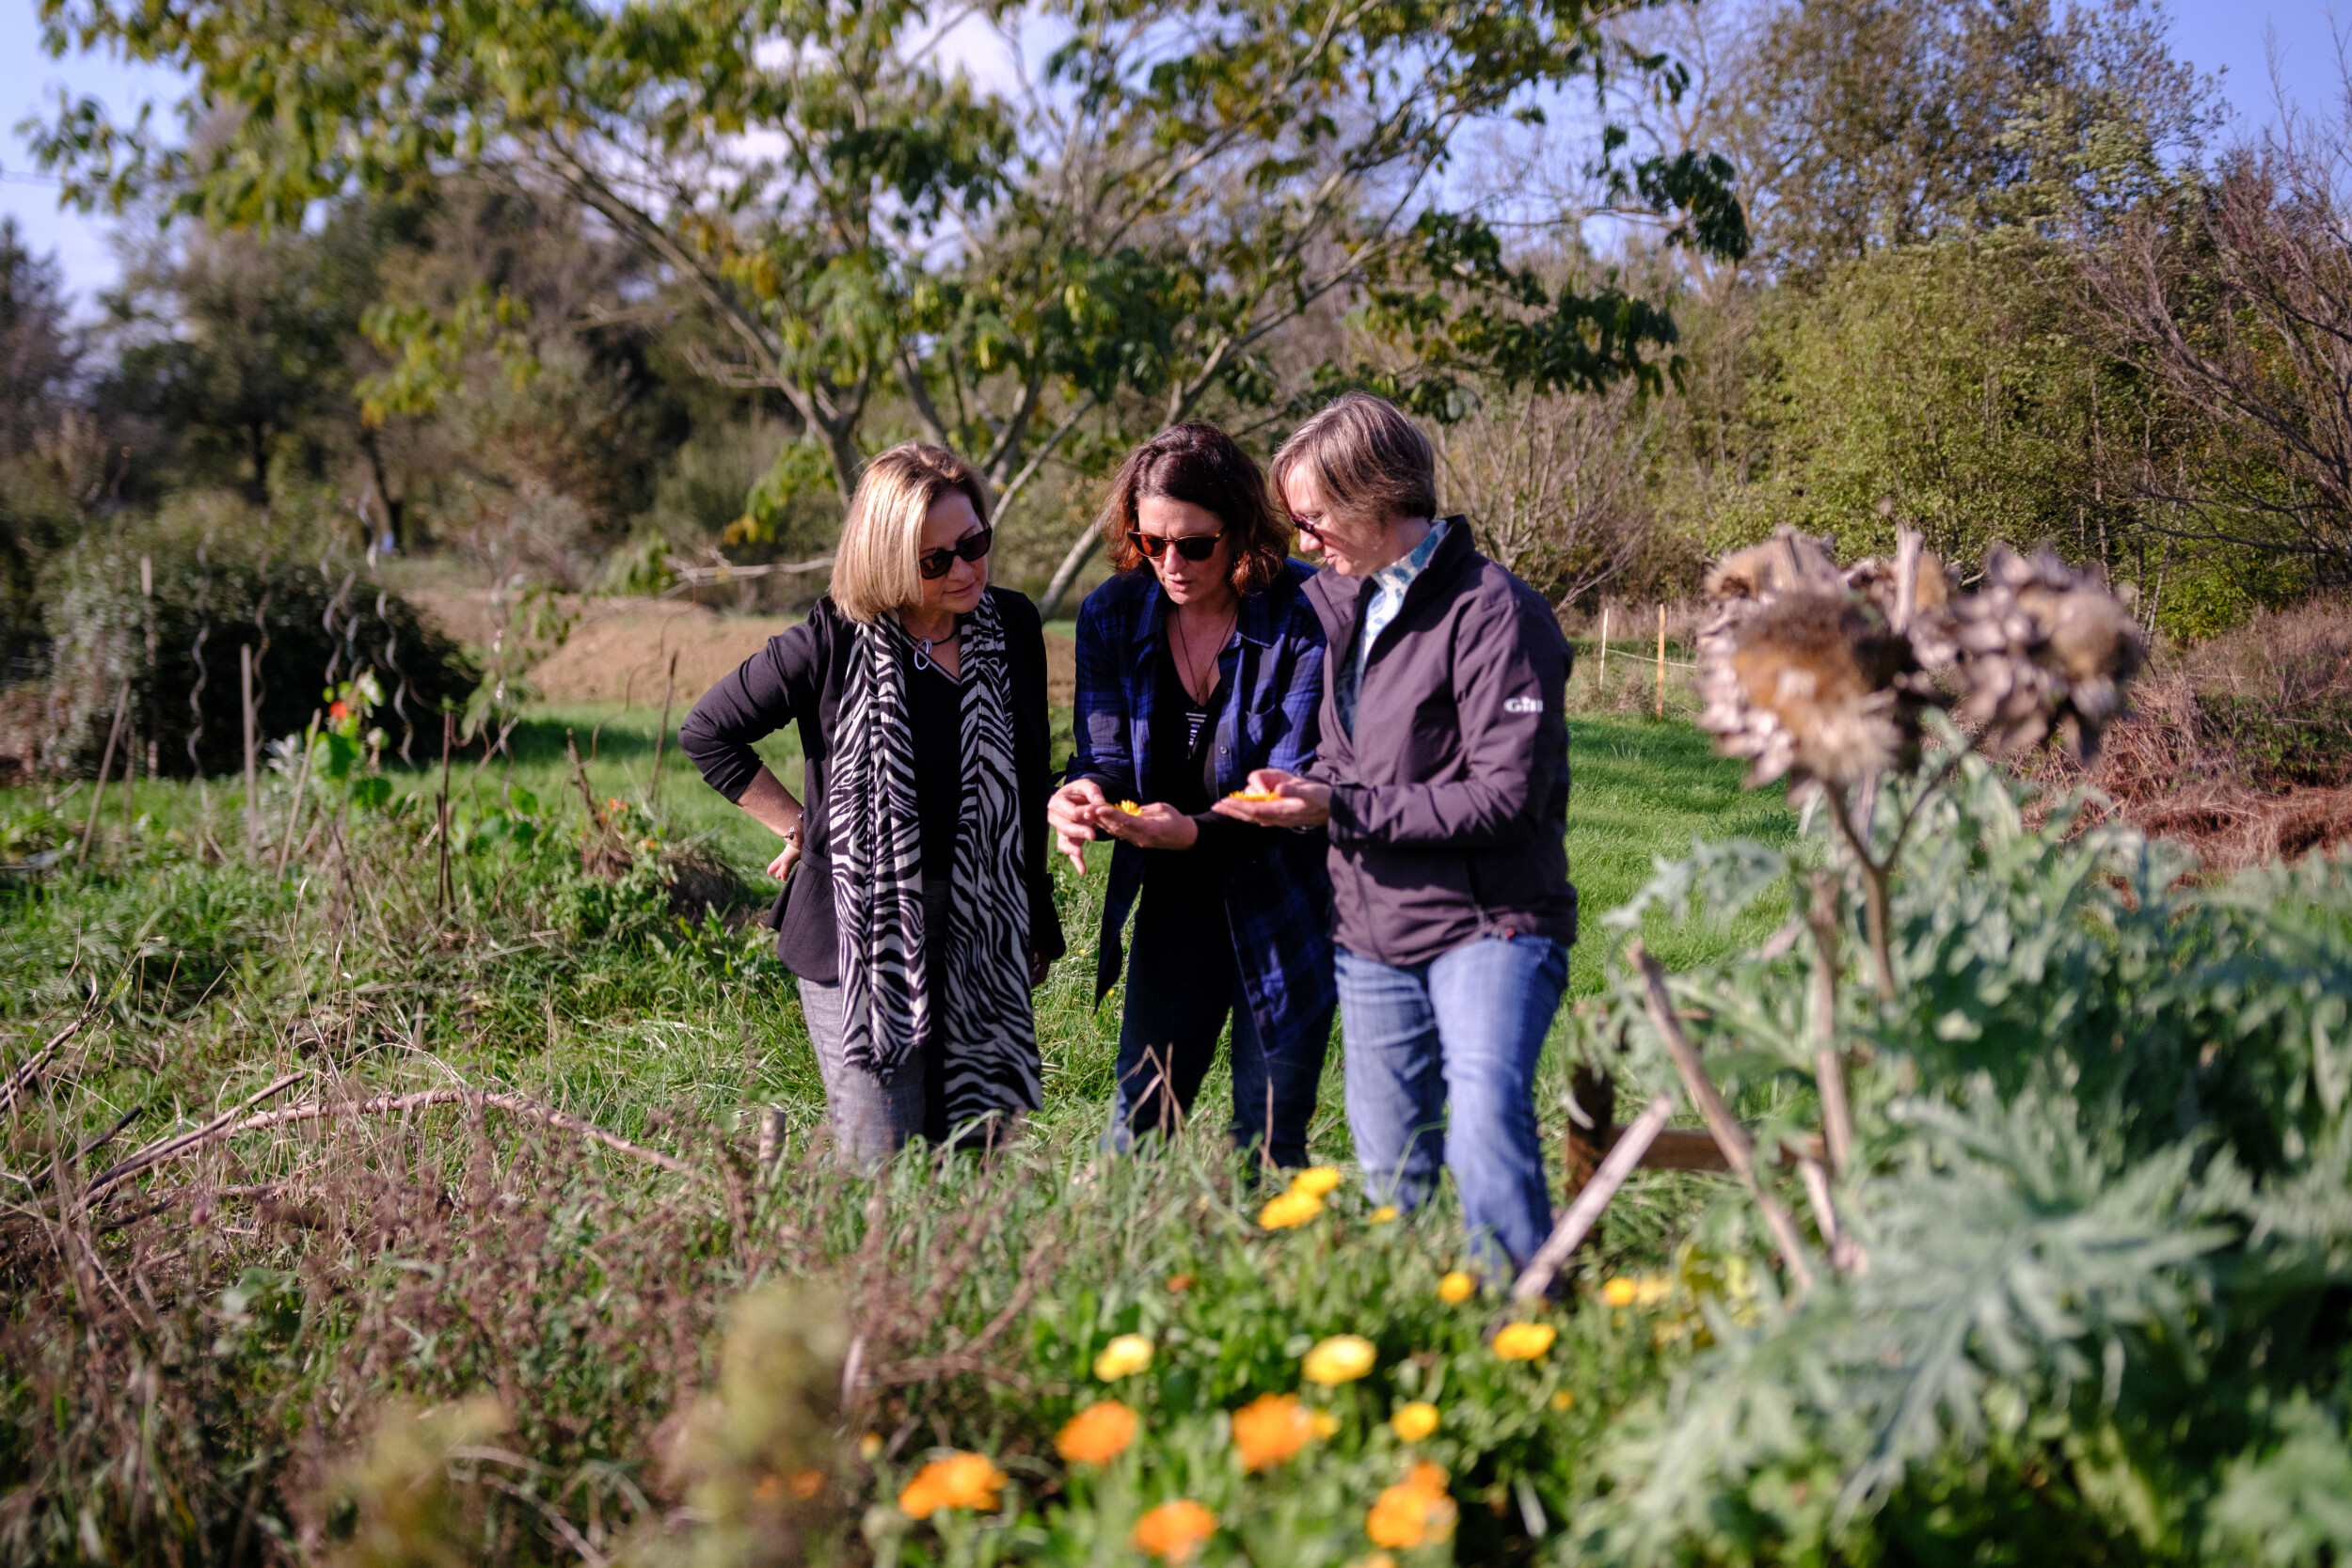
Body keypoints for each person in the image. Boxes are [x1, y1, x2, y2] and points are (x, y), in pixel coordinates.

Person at [1215, 392, 1577, 1275]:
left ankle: (1524, 1324)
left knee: (1487, 1118)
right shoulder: (1352, 607)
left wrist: (1338, 808)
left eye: (1315, 517)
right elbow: (1356, 763)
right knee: (1390, 1173)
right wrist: (1307, 786)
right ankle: (1413, 1337)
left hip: (1489, 927)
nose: (1305, 541)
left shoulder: (1496, 614)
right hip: (1373, 938)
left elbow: (1508, 797)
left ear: (1378, 495)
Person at [679, 443, 1063, 1166]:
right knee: (881, 1164)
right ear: (888, 557)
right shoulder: (833, 640)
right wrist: (802, 824)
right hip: (859, 937)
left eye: (974, 543)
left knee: (978, 1155)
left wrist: (1035, 912)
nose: (965, 568)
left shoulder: (1011, 626)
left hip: (981, 927)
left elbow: (1028, 768)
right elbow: (709, 731)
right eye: (935, 559)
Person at [1046, 423, 1335, 1169]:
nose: (1171, 564)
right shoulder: (1113, 612)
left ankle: (1261, 1271)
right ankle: (1127, 1268)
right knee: (1139, 1120)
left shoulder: (1306, 611)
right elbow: (1106, 756)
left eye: (1195, 545)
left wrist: (1198, 831)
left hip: (1287, 896)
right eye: (1151, 543)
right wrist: (1080, 794)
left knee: (1269, 1133)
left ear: (1240, 530)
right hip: (1175, 895)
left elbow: (1293, 777)